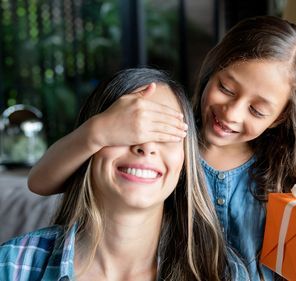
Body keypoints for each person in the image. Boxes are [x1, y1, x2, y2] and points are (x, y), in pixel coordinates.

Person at [28, 17, 296, 280]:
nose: (231, 112)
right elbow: (41, 182)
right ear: (211, 68)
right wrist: (99, 131)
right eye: (227, 89)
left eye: (257, 110)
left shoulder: (292, 170)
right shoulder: (171, 144)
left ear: (280, 118)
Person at [1, 68, 248, 281]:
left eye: (165, 134)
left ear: (185, 163)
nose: (146, 146)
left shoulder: (223, 273)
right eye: (126, 129)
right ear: (88, 146)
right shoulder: (13, 266)